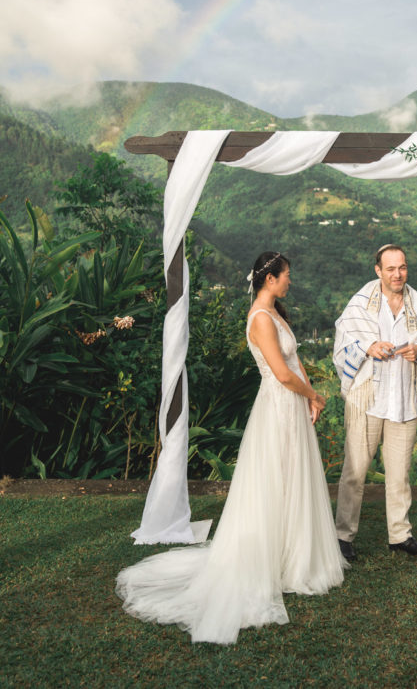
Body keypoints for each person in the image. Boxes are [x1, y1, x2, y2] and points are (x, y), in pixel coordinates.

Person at [116, 252, 346, 643]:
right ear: (270, 279)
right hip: (278, 409)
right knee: (277, 481)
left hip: (292, 406)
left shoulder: (276, 314)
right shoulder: (260, 319)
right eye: (287, 275)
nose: (290, 281)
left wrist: (309, 396)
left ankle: (295, 557)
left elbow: (295, 361)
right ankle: (274, 559)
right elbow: (280, 373)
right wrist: (314, 395)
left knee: (294, 480)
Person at [333, 244, 417, 561]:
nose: (397, 274)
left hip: (403, 399)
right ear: (378, 271)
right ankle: (343, 536)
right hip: (368, 399)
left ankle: (400, 535)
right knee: (355, 472)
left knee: (400, 475)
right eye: (390, 269)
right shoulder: (361, 303)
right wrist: (368, 347)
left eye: (402, 267)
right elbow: (343, 339)